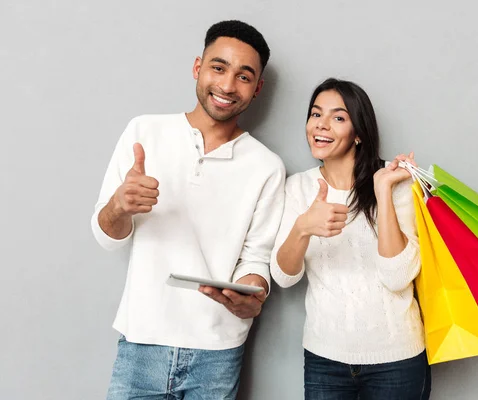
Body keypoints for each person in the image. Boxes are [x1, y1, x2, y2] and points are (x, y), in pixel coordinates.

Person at [91, 20, 285, 399]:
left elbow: (256, 260)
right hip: (141, 343)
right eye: (218, 67)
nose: (228, 85)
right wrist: (120, 205)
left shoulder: (267, 166)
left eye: (244, 76)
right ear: (198, 68)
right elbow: (106, 236)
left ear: (257, 88)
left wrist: (253, 293)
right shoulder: (143, 133)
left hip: (218, 353)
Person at [270, 78, 431, 399]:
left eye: (338, 117)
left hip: (396, 358)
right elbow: (284, 277)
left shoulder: (397, 182)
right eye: (316, 114)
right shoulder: (298, 187)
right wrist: (303, 227)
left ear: (359, 133)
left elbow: (398, 277)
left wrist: (382, 191)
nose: (321, 125)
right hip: (323, 358)